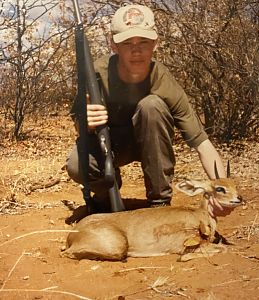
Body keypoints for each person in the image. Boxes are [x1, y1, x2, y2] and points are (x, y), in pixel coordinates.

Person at [66, 4, 232, 217]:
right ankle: (105, 198)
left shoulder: (162, 78)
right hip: (111, 146)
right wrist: (87, 123)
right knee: (77, 164)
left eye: (144, 41)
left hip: (153, 145)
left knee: (152, 105)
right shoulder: (96, 72)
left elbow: (202, 143)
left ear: (155, 43)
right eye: (127, 43)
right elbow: (78, 123)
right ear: (113, 45)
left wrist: (220, 189)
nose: (136, 50)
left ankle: (159, 202)